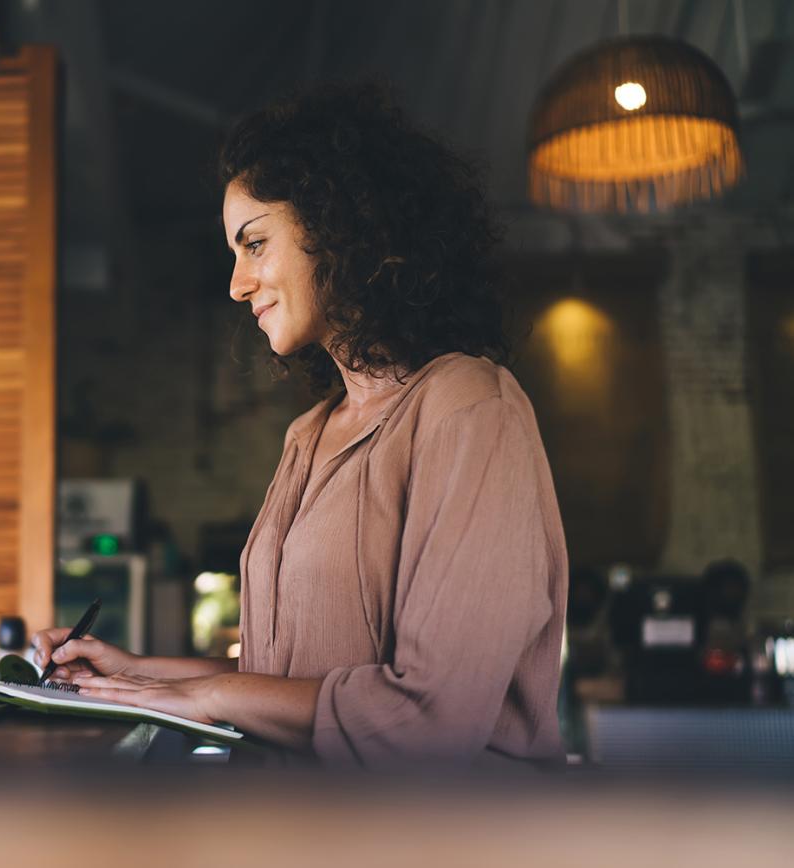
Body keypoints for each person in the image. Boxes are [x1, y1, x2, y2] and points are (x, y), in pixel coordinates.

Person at [34, 82, 568, 768]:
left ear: (340, 229)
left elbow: (430, 721)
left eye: (255, 244)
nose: (236, 284)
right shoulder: (309, 434)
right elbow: (285, 678)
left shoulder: (471, 408)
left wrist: (208, 696)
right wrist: (135, 670)